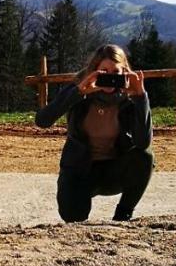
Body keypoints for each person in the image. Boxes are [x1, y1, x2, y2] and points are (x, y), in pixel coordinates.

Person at [34, 44, 155, 222]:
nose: (110, 77)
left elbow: (143, 142)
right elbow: (42, 121)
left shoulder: (129, 100)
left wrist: (140, 97)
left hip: (114, 170)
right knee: (73, 216)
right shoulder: (78, 90)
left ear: (125, 73)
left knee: (145, 156)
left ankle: (124, 213)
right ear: (94, 70)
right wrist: (78, 92)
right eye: (104, 71)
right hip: (80, 170)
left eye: (116, 72)